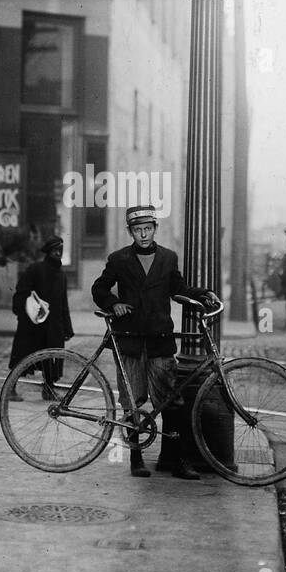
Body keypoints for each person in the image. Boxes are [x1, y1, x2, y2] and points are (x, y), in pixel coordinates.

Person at [92, 205, 218, 480]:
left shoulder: (168, 258)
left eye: (148, 229)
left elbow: (178, 290)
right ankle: (136, 458)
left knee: (171, 401)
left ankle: (174, 460)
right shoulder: (119, 259)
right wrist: (114, 304)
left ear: (155, 229)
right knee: (133, 403)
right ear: (131, 232)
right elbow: (99, 288)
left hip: (160, 341)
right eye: (138, 230)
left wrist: (202, 294)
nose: (144, 234)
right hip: (130, 341)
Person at [6, 235, 74, 400]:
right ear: (48, 252)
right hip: (33, 324)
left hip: (54, 326)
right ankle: (10, 390)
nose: (58, 253)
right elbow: (21, 292)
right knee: (23, 355)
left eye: (60, 250)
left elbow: (63, 303)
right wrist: (25, 312)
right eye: (54, 250)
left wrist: (67, 327)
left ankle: (49, 389)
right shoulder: (35, 269)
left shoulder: (61, 275)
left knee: (52, 357)